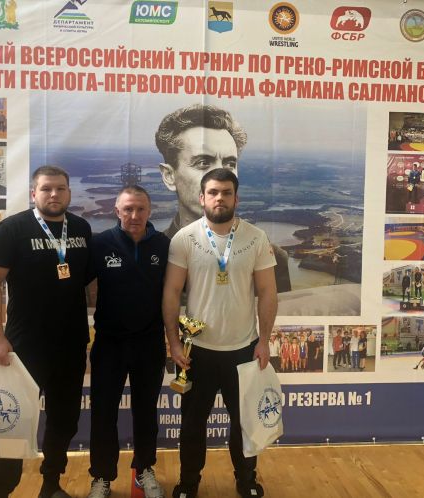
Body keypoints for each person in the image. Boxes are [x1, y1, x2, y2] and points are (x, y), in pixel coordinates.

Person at [162, 168, 278, 498]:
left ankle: (246, 480)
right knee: (192, 424)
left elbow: (267, 292)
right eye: (213, 192)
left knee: (244, 423)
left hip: (243, 350)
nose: (219, 198)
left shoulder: (256, 238)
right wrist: (173, 342)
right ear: (202, 198)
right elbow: (172, 292)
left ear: (236, 198)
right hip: (196, 352)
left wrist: (264, 341)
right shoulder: (184, 238)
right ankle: (188, 483)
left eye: (226, 192)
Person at [0, 165, 91, 498]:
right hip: (24, 345)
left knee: (64, 420)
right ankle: (0, 491)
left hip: (70, 344)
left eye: (60, 188)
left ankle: (51, 484)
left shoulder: (82, 228)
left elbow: (89, 283)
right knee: (13, 420)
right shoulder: (12, 229)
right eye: (46, 188)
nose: (53, 194)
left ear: (69, 192)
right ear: (34, 193)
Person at [86, 186, 169, 498]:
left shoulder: (163, 245)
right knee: (103, 412)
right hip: (109, 344)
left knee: (146, 411)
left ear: (149, 211)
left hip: (150, 343)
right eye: (128, 209)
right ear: (117, 211)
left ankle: (144, 470)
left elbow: (175, 291)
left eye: (140, 209)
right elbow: (75, 286)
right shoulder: (99, 244)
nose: (134, 215)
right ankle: (102, 477)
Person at [156, 103, 291, 293]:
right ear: (169, 176)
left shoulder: (271, 257)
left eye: (230, 163)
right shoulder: (153, 256)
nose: (220, 176)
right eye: (203, 162)